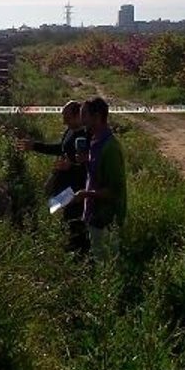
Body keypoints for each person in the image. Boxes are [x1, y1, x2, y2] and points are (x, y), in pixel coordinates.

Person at [20, 100, 90, 254]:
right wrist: (35, 146)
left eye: (67, 117)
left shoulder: (86, 136)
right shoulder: (70, 131)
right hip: (64, 187)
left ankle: (79, 253)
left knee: (73, 221)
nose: (64, 121)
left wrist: (72, 166)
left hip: (77, 190)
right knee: (56, 211)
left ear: (77, 116)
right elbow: (60, 149)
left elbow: (91, 166)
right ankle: (66, 248)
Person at [72, 97, 127, 261]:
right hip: (95, 214)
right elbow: (98, 176)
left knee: (108, 262)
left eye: (84, 115)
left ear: (97, 117)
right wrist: (86, 161)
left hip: (107, 219)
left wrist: (86, 194)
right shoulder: (95, 142)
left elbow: (114, 191)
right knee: (98, 257)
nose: (81, 120)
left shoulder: (110, 148)